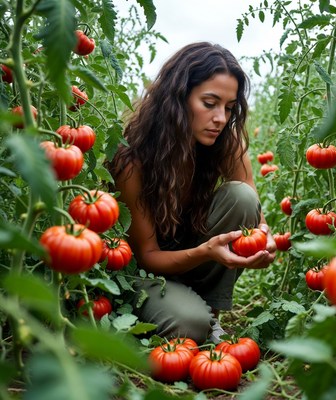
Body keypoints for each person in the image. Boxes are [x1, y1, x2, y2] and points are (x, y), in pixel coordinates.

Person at [109, 42, 276, 345]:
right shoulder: (131, 159)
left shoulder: (226, 140)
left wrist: (266, 237)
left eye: (228, 107)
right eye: (209, 103)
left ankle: (209, 313)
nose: (221, 119)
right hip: (144, 273)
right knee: (189, 326)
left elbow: (253, 206)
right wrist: (206, 252)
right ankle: (195, 318)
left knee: (241, 197)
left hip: (189, 258)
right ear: (178, 99)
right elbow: (147, 258)